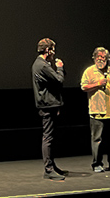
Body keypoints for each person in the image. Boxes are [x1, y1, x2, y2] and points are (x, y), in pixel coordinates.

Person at [80, 46, 110, 172]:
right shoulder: (89, 71)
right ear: (94, 58)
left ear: (107, 59)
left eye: (103, 58)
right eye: (98, 57)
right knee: (97, 140)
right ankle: (97, 164)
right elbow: (83, 87)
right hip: (97, 111)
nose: (100, 60)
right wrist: (97, 84)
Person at [32, 38, 67, 180]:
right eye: (53, 48)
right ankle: (48, 169)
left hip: (49, 104)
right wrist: (59, 67)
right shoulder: (42, 65)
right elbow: (59, 80)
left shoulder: (41, 64)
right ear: (48, 50)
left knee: (50, 137)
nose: (54, 52)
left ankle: (52, 166)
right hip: (47, 105)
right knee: (48, 137)